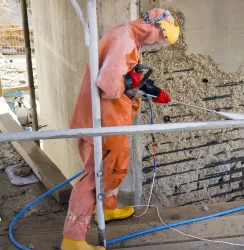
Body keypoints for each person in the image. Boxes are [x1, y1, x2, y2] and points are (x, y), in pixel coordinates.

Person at [61, 8, 179, 250]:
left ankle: (107, 209)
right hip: (101, 120)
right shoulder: (123, 40)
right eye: (163, 38)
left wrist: (150, 89)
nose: (160, 44)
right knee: (95, 176)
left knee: (117, 165)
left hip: (112, 119)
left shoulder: (128, 38)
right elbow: (108, 85)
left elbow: (125, 75)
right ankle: (72, 239)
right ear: (154, 26)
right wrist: (129, 82)